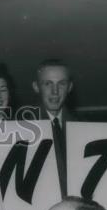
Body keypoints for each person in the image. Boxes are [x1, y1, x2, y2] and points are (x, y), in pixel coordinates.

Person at [21, 59, 76, 196]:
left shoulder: (83, 128)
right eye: (47, 84)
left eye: (61, 84)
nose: (55, 91)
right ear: (36, 87)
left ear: (70, 87)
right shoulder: (21, 129)